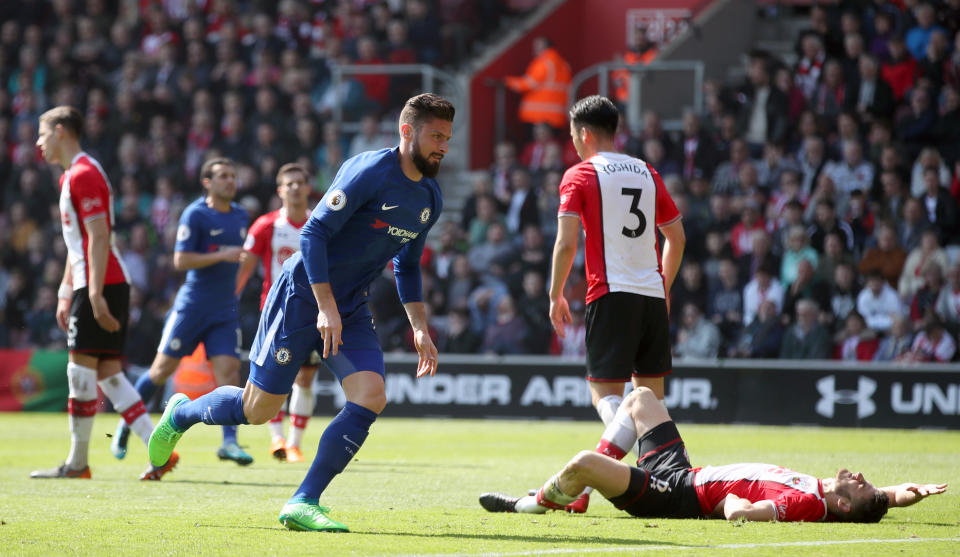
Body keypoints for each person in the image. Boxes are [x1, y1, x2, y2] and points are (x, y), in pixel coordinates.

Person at [147, 93, 453, 532]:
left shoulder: (430, 196)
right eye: (436, 135)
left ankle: (303, 500)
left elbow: (405, 262)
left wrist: (419, 328)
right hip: (300, 296)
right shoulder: (369, 170)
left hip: (350, 304)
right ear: (408, 131)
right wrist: (324, 306)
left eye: (447, 137)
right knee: (258, 411)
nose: (443, 145)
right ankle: (181, 414)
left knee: (371, 395)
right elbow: (312, 234)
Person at [479, 386, 947, 522]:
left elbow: (746, 511)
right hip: (683, 471)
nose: (861, 475)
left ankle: (531, 504)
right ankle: (579, 494)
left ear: (844, 504)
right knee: (641, 397)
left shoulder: (806, 505)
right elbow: (876, 501)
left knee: (582, 463)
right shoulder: (827, 493)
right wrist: (902, 493)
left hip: (673, 495)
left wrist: (739, 509)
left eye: (861, 484)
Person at [548, 95, 685, 513]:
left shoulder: (580, 174)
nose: (574, 145)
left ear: (585, 134)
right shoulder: (647, 171)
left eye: (573, 137)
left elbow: (567, 241)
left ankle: (597, 481)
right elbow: (676, 238)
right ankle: (600, 484)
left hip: (610, 294)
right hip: (650, 296)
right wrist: (663, 289)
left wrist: (555, 294)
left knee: (606, 397)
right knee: (649, 403)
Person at [31, 106, 176, 481]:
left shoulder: (83, 174)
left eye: (43, 134)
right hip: (96, 281)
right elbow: (76, 243)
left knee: (80, 374)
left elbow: (98, 238)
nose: (38, 142)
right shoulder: (72, 176)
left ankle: (77, 465)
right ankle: (159, 452)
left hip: (103, 282)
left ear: (61, 131)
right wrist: (67, 291)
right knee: (110, 375)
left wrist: (93, 294)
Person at [111, 157, 253, 466]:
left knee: (228, 373)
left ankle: (229, 442)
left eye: (233, 175)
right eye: (223, 176)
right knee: (161, 371)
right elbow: (180, 261)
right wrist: (222, 255)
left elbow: (244, 260)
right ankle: (127, 421)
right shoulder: (196, 214)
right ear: (207, 182)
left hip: (224, 310)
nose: (231, 181)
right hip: (193, 307)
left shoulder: (242, 216)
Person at [235, 163, 317, 463]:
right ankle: (277, 439)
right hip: (276, 314)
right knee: (274, 378)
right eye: (289, 183)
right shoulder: (266, 225)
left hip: (311, 314)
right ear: (280, 190)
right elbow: (245, 267)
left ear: (308, 188)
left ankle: (294, 443)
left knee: (305, 380)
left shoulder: (319, 223)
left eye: (300, 182)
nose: (295, 188)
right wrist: (230, 301)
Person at [504, 36, 572, 130]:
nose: (534, 49)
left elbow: (528, 84)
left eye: (537, 46)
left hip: (537, 116)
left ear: (545, 47)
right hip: (557, 116)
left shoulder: (543, 62)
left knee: (535, 144)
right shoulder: (564, 65)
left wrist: (507, 81)